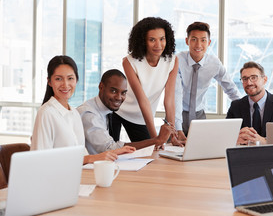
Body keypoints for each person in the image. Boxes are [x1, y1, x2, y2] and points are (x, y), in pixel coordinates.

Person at [30, 55, 136, 164]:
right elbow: (41, 160)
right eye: (58, 79)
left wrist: (116, 152)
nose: (65, 85)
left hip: (77, 175)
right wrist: (91, 158)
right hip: (56, 179)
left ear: (76, 80)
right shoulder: (46, 113)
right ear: (49, 82)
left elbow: (80, 156)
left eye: (70, 78)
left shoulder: (74, 113)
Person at [77, 69, 176, 154]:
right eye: (113, 91)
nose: (119, 98)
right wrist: (156, 140)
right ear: (101, 87)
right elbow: (109, 148)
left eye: (123, 93)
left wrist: (155, 142)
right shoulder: (89, 114)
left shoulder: (107, 110)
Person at [116, 17, 181, 145]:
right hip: (118, 112)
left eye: (162, 39)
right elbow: (143, 100)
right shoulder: (129, 62)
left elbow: (169, 101)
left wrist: (172, 135)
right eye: (152, 40)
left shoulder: (172, 61)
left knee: (149, 154)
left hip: (141, 117)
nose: (158, 45)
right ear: (143, 41)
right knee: (111, 151)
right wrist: (156, 139)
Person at [175, 22, 241, 138]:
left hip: (199, 115)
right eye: (194, 39)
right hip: (177, 113)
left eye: (203, 40)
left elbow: (231, 89)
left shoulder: (214, 63)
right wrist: (178, 128)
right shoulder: (177, 61)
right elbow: (176, 94)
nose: (198, 45)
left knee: (202, 151)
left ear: (209, 42)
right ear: (187, 41)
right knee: (171, 150)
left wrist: (244, 109)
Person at [226, 61, 273, 145]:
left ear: (264, 80)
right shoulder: (236, 106)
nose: (249, 82)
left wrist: (264, 141)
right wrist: (236, 140)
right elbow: (226, 137)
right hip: (244, 155)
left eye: (254, 77)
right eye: (245, 79)